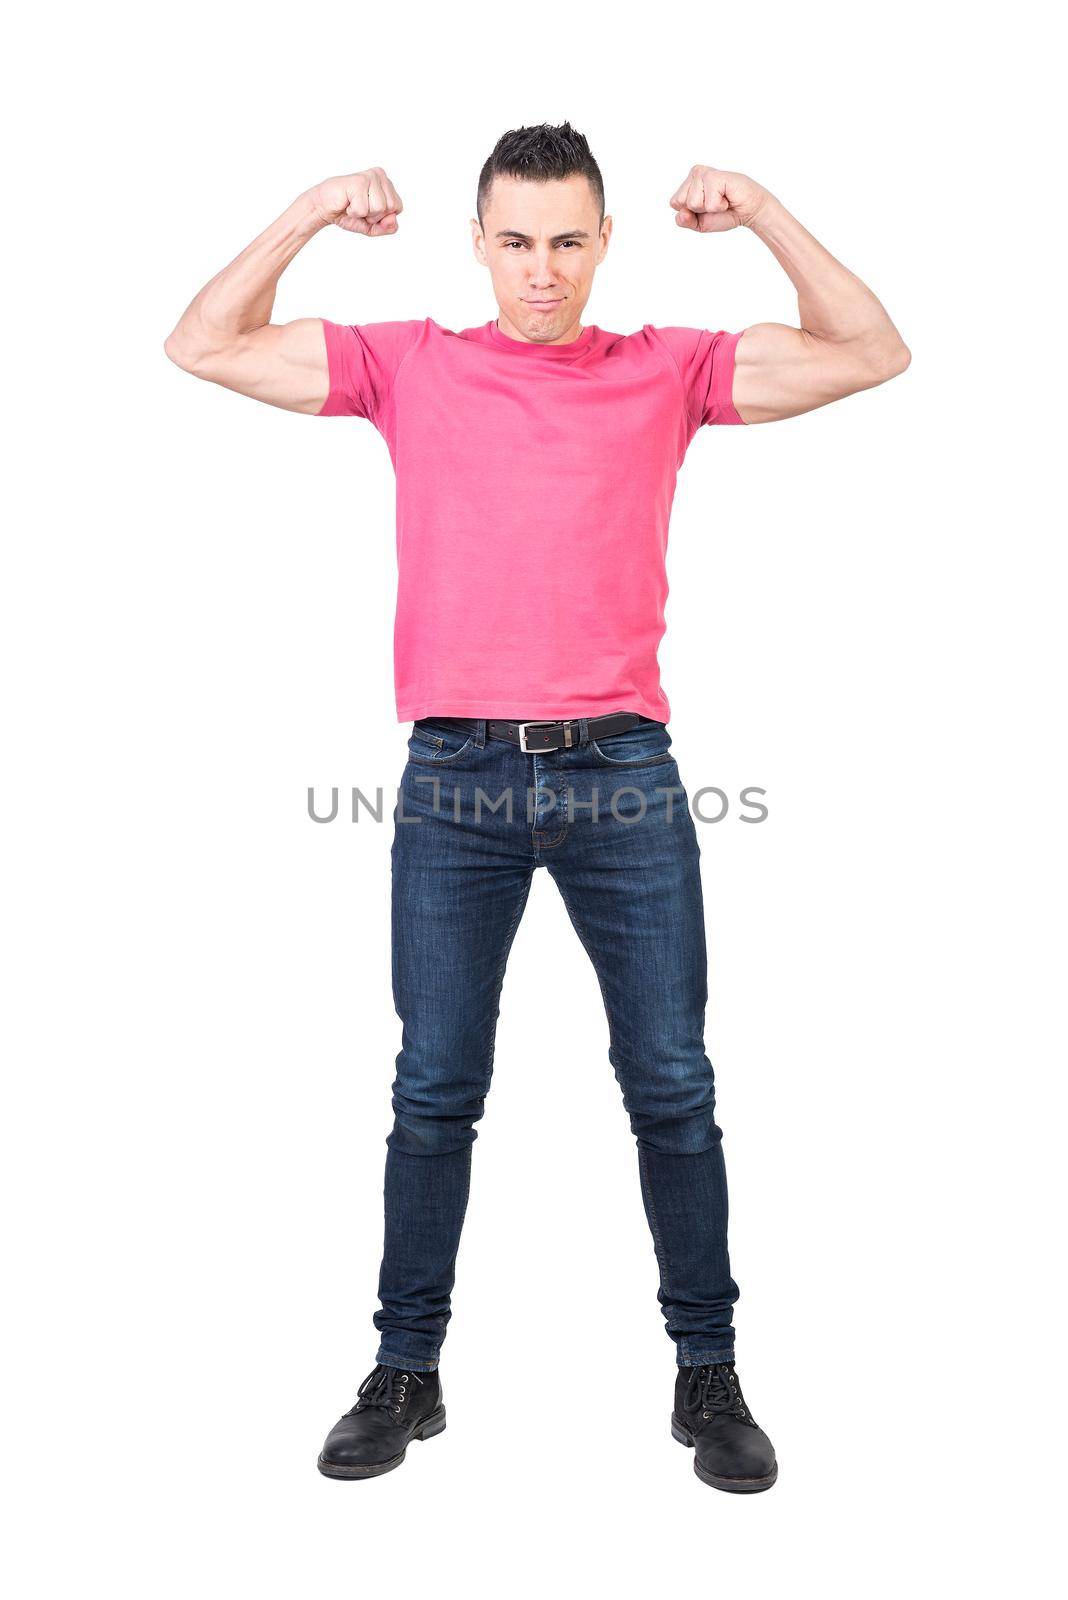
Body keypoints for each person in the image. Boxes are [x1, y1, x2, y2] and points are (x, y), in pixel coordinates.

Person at [165, 121, 910, 1492]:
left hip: (621, 773)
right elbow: (201, 343)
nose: (544, 270)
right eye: (517, 240)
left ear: (603, 242)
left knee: (671, 1083)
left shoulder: (666, 369)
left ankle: (710, 1373)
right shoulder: (411, 365)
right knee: (434, 1090)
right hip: (455, 779)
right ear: (481, 243)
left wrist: (770, 212)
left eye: (569, 240)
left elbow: (873, 351)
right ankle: (405, 1372)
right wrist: (308, 207)